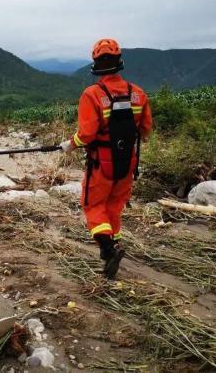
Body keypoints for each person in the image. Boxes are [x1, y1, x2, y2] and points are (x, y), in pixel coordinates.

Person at [61, 38, 153, 279]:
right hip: (128, 162)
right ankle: (114, 244)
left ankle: (107, 250)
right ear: (119, 62)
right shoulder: (138, 94)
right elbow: (145, 129)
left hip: (101, 163)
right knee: (114, 206)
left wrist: (70, 145)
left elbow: (87, 134)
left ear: (96, 65)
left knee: (93, 205)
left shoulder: (92, 95)